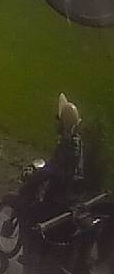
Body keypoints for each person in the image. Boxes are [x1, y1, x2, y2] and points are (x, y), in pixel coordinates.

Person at [19, 93, 88, 259]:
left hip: (60, 197)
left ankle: (31, 255)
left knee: (31, 215)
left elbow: (55, 169)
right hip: (72, 195)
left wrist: (35, 177)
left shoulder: (68, 145)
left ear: (64, 123)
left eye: (59, 120)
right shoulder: (75, 141)